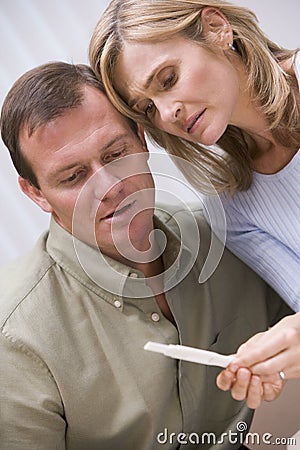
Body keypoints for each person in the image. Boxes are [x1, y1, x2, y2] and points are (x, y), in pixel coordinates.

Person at [0, 61, 292, 449]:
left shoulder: (227, 235)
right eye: (73, 177)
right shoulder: (15, 339)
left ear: (141, 138)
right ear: (35, 193)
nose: (108, 187)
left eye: (115, 154)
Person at [88, 0, 300, 384]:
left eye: (168, 79)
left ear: (217, 28)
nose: (167, 114)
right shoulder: (234, 210)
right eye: (147, 108)